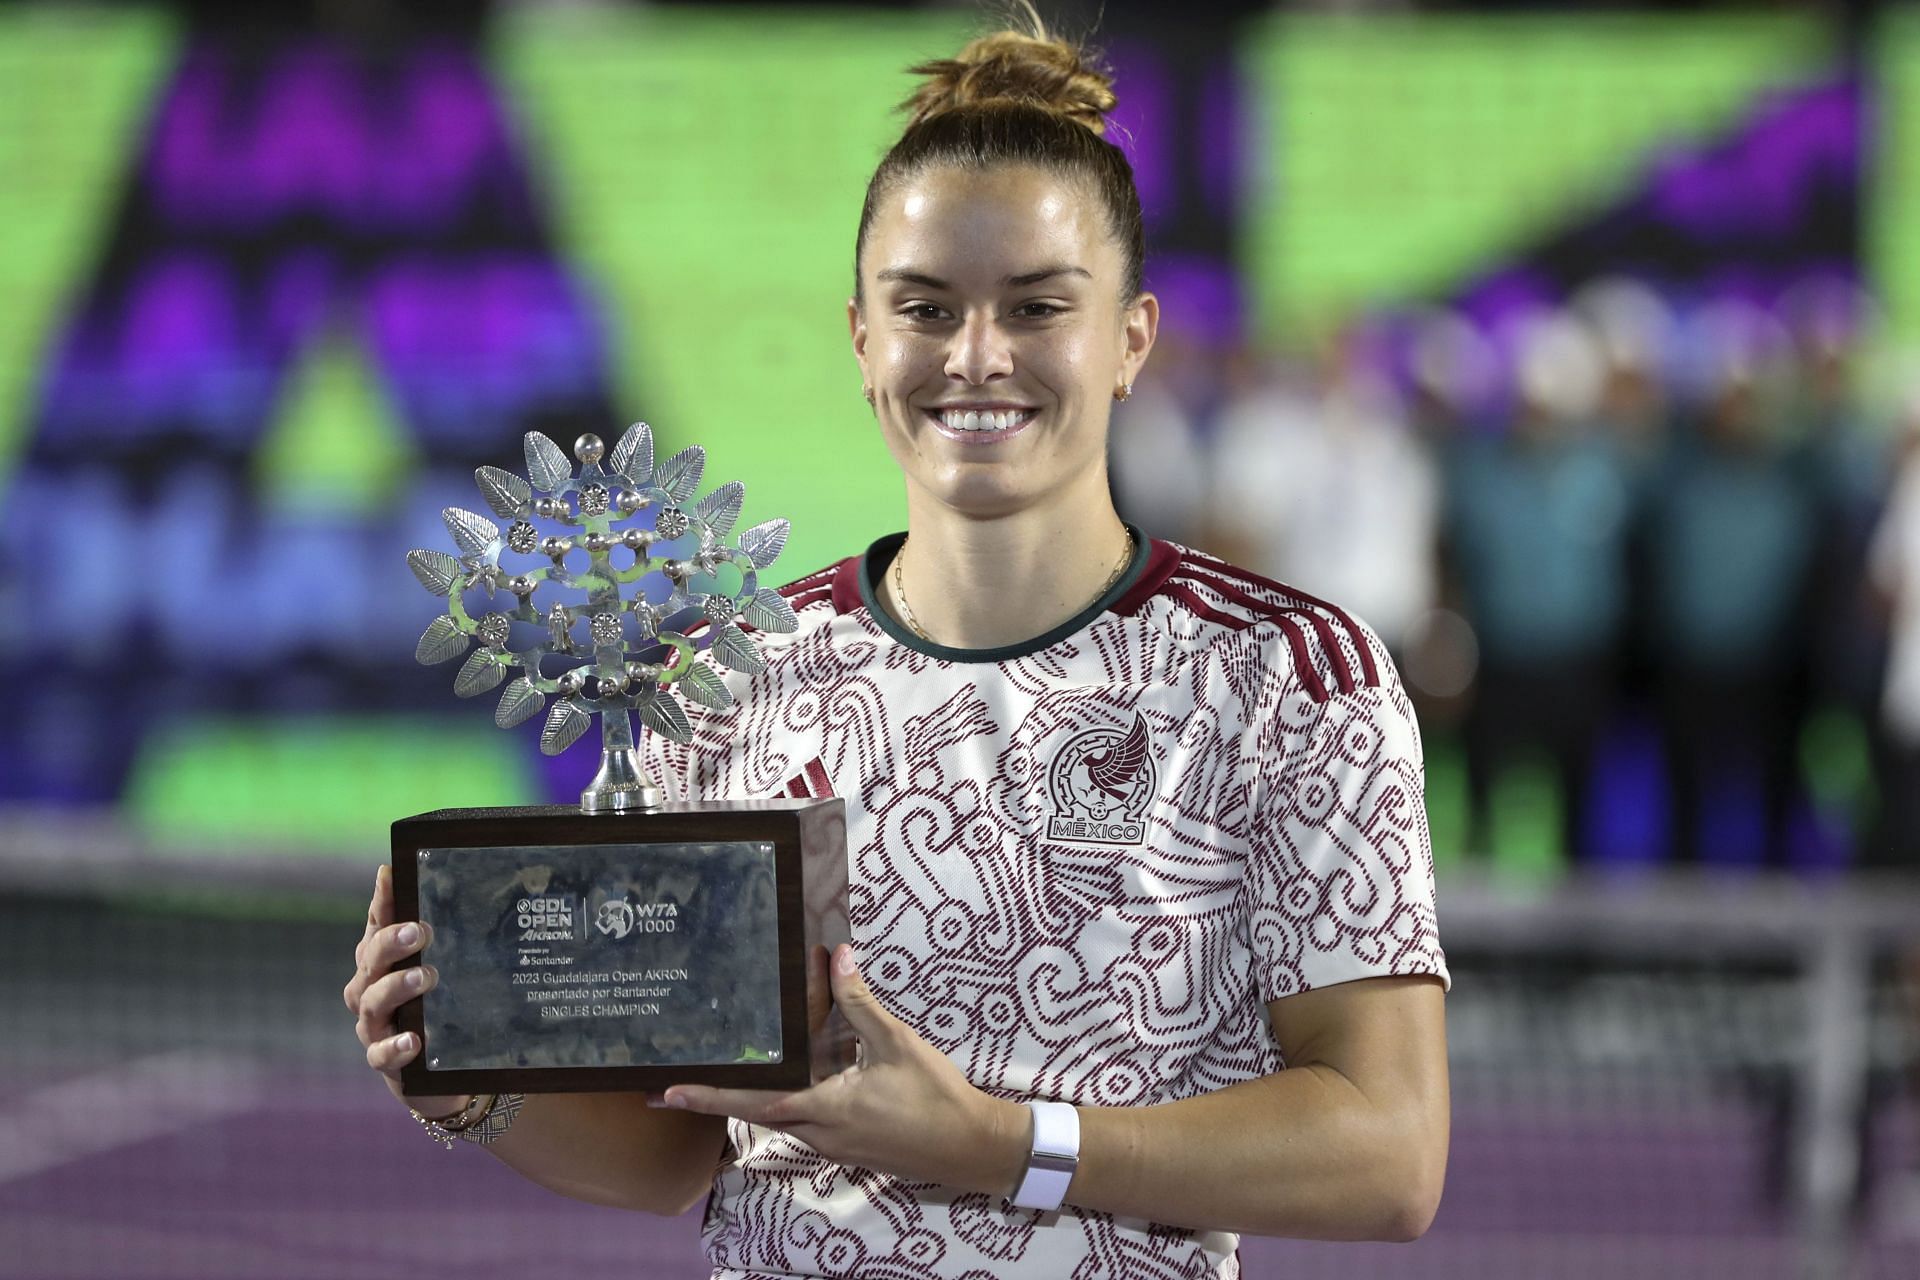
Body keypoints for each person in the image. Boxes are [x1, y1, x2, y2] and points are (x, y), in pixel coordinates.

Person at [344, 11, 1450, 1277]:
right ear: (864, 338)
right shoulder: (733, 681)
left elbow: (1390, 1149)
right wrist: (471, 1079)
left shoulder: (1289, 678)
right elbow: (680, 1155)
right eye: (926, 308)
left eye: (1038, 306)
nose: (977, 355)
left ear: (1131, 338)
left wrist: (994, 1139)